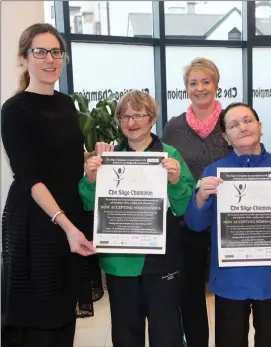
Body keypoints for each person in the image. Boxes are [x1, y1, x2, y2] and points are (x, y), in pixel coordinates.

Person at [184, 102, 271, 347]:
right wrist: (200, 196)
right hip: (230, 278)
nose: (242, 128)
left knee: (270, 340)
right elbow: (195, 224)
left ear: (260, 126)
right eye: (233, 125)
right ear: (226, 136)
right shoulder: (214, 172)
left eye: (247, 121)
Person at [1, 23, 96, 347]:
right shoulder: (14, 110)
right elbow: (31, 177)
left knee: (64, 315)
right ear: (24, 59)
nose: (49, 59)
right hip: (36, 223)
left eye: (56, 52)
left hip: (68, 215)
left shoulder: (66, 104)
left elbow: (66, 160)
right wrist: (67, 226)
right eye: (39, 51)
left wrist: (93, 159)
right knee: (38, 319)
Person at [80, 90, 196, 347]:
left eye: (138, 116)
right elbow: (88, 203)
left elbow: (188, 207)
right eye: (124, 116)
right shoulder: (107, 158)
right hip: (119, 263)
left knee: (166, 335)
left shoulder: (170, 155)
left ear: (152, 118)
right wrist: (90, 179)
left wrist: (176, 181)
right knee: (125, 334)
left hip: (163, 261)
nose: (130, 123)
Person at [162, 57, 232, 346]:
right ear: (185, 89)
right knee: (190, 294)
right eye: (193, 83)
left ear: (216, 85)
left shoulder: (232, 120)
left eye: (206, 81)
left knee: (229, 294)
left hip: (229, 223)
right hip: (187, 223)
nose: (200, 88)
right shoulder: (174, 127)